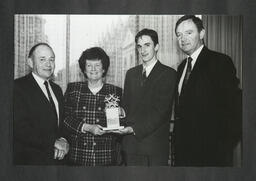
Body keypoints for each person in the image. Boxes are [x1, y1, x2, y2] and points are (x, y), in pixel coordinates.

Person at [173, 15, 242, 166]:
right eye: (179, 35)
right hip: (184, 153)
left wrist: (224, 147)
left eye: (189, 33)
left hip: (212, 155)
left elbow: (235, 108)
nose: (183, 39)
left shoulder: (220, 62)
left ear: (202, 33)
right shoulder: (181, 67)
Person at [114, 29, 176, 166]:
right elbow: (127, 105)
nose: (143, 50)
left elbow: (161, 112)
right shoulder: (131, 74)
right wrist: (121, 112)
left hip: (153, 148)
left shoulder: (169, 74)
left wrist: (133, 129)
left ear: (157, 46)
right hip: (130, 147)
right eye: (139, 46)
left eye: (147, 45)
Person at [63, 47, 123, 166]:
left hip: (106, 158)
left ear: (104, 68)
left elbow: (124, 124)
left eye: (97, 65)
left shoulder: (115, 91)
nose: (93, 69)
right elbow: (65, 119)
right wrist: (87, 127)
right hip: (78, 157)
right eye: (89, 65)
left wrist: (122, 113)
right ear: (84, 70)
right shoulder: (73, 89)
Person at [13, 43, 69, 165]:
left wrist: (64, 140)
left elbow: (61, 122)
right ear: (30, 62)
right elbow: (18, 127)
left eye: (51, 59)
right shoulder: (17, 87)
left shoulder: (57, 89)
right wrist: (53, 142)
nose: (48, 64)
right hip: (29, 162)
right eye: (42, 59)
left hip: (57, 162)